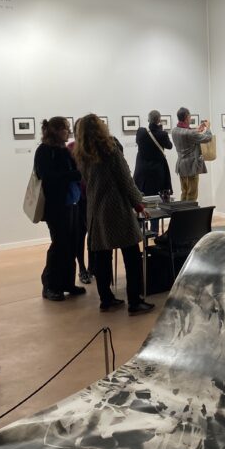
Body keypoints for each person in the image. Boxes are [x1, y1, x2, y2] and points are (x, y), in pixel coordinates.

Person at [74, 114, 154, 315]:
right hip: (116, 208)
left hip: (95, 209)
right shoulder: (110, 149)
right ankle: (135, 301)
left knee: (102, 257)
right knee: (132, 256)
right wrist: (138, 204)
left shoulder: (82, 153)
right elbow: (125, 180)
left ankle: (106, 299)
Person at [34, 117, 86, 301]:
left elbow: (74, 170)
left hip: (72, 202)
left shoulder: (63, 150)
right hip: (56, 206)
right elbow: (47, 176)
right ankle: (50, 285)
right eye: (65, 128)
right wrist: (75, 174)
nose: (68, 132)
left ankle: (67, 283)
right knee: (59, 245)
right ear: (55, 130)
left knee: (72, 243)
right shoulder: (44, 151)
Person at [133, 110, 172, 232]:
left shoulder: (140, 132)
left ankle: (141, 226)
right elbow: (169, 146)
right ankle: (154, 230)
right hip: (156, 172)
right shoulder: (162, 134)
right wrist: (161, 130)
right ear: (159, 120)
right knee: (156, 201)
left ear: (148, 119)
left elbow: (139, 142)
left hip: (141, 170)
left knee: (141, 198)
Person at [67, 120, 92, 285]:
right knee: (79, 235)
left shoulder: (94, 148)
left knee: (93, 234)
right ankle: (82, 268)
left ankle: (92, 267)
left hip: (93, 196)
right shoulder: (70, 148)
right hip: (78, 199)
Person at [171, 107, 212, 201]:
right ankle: (190, 214)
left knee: (184, 192)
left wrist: (197, 129)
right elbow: (208, 138)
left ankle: (182, 215)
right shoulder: (190, 133)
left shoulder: (174, 131)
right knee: (192, 194)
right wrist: (208, 127)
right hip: (191, 167)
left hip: (181, 166)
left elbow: (188, 133)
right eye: (189, 116)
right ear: (186, 117)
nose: (190, 118)